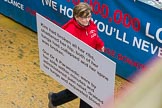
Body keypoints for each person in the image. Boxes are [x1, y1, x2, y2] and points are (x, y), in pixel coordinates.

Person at [48, 2, 104, 108]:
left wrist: (100, 44)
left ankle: (54, 99)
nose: (88, 20)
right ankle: (54, 99)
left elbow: (95, 36)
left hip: (90, 63)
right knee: (87, 92)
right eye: (84, 18)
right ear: (77, 17)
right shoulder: (69, 31)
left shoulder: (91, 24)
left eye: (89, 17)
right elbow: (63, 50)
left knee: (80, 91)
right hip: (77, 67)